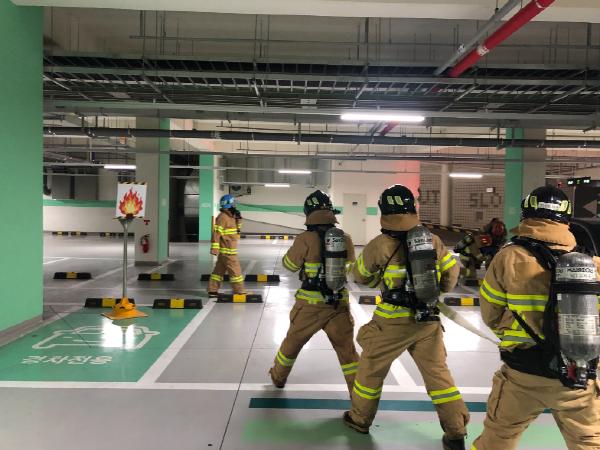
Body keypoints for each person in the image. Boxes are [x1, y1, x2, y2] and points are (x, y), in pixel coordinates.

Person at [472, 185, 600, 449]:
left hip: (522, 375)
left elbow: (491, 313)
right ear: (566, 217)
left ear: (526, 213)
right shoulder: (592, 264)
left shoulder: (508, 257)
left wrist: (512, 336)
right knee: (589, 442)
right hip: (577, 377)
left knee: (497, 439)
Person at [343, 184, 469, 450]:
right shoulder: (432, 240)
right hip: (428, 320)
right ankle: (456, 431)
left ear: (384, 211)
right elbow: (451, 275)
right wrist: (433, 292)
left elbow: (360, 276)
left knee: (370, 372)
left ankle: (360, 419)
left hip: (391, 322)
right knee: (439, 377)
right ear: (412, 207)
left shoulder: (379, 245)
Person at [269, 190, 359, 393]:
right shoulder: (345, 238)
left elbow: (290, 265)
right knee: (348, 352)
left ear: (309, 213)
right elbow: (351, 268)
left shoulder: (305, 238)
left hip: (309, 306)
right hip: (338, 304)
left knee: (292, 345)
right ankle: (358, 395)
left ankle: (278, 377)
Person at [207, 194, 245, 296]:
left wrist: (238, 218)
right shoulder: (223, 217)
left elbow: (237, 230)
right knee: (235, 271)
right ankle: (239, 291)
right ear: (229, 204)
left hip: (227, 250)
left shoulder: (230, 216)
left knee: (218, 271)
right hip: (228, 251)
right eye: (233, 203)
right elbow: (216, 233)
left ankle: (212, 290)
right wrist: (214, 248)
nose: (235, 205)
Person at [454, 218, 507, 285]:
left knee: (492, 258)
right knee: (471, 274)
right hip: (467, 256)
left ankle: (492, 275)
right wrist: (486, 258)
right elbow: (476, 253)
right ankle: (455, 270)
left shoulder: (501, 238)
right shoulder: (481, 238)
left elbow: (494, 255)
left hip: (478, 255)